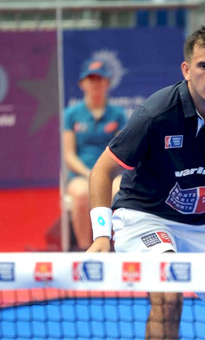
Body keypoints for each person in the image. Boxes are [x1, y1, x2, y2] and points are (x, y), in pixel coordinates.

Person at [86, 26, 205, 339]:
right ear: (187, 70)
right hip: (145, 216)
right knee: (168, 294)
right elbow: (102, 171)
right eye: (204, 66)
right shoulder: (156, 113)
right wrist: (101, 235)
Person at [63, 59, 126, 251]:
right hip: (81, 174)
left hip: (111, 173)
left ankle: (115, 247)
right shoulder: (71, 114)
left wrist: (105, 173)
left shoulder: (118, 114)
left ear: (107, 83)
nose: (95, 84)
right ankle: (85, 249)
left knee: (120, 192)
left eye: (99, 79)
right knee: (81, 195)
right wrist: (90, 173)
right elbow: (69, 155)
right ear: (82, 84)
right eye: (90, 79)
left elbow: (122, 150)